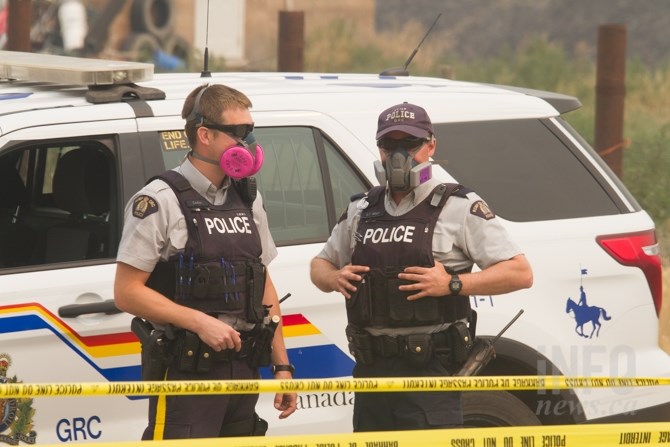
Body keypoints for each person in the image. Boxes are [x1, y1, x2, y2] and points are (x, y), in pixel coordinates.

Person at [309, 102, 533, 432]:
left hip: (431, 372)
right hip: (372, 374)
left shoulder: (458, 206)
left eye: (409, 145)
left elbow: (520, 272)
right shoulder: (362, 208)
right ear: (379, 149)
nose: (399, 155)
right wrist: (333, 276)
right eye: (389, 145)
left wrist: (453, 284)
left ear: (430, 146)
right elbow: (320, 264)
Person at [114, 83, 296, 440]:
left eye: (250, 131)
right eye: (239, 132)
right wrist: (199, 322)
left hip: (243, 369)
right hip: (187, 372)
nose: (249, 143)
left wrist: (282, 366)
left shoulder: (247, 199)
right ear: (205, 135)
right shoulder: (159, 200)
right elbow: (126, 292)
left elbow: (262, 281)